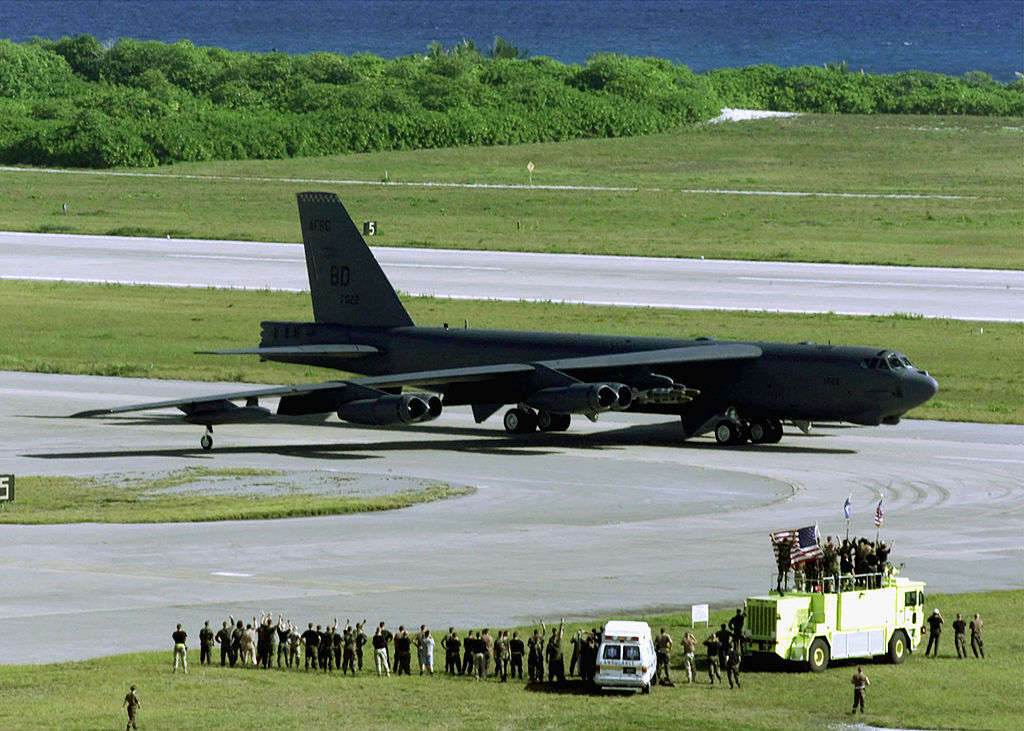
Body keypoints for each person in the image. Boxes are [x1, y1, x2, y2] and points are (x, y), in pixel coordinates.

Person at [544, 618, 566, 683]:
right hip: (555, 661)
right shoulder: (555, 643)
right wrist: (546, 658)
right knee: (552, 674)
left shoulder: (556, 643)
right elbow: (547, 651)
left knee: (558, 674)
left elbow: (561, 631)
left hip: (556, 661)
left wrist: (562, 623)